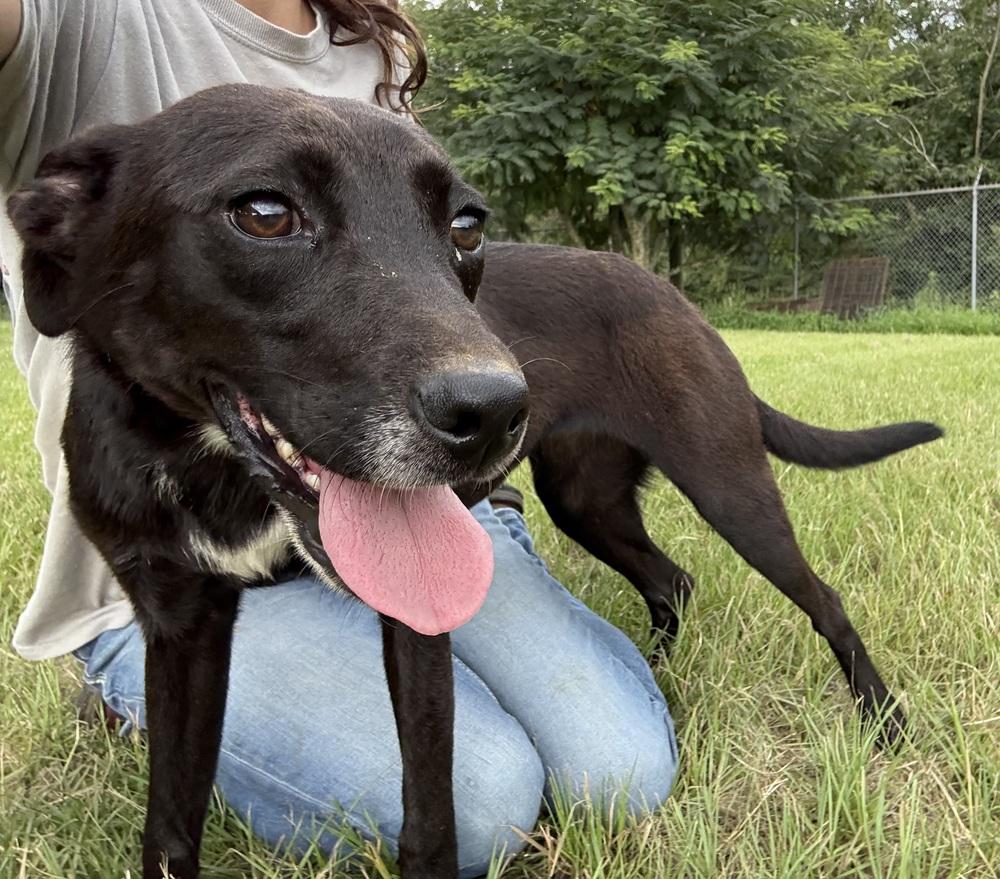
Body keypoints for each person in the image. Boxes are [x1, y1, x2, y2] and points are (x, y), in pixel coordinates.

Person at [0, 2, 678, 876]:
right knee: (484, 803)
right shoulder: (84, 20)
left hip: (404, 513)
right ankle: (122, 677)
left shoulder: (369, 54)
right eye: (266, 212)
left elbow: (403, 272)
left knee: (621, 775)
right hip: (179, 562)